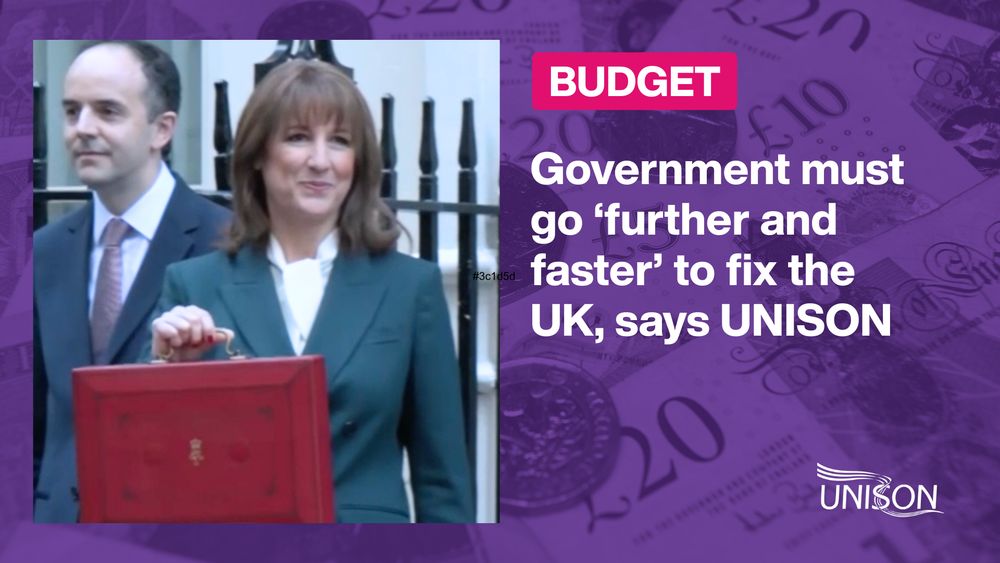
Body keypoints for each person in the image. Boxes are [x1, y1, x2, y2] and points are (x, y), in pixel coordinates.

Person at [148, 60, 474, 523]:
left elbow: (443, 479)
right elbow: (155, 460)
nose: (320, 161)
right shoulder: (194, 283)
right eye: (298, 137)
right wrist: (163, 369)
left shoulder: (410, 287)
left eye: (339, 141)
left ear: (357, 163)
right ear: (259, 153)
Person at [33, 41, 231, 523]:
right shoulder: (43, 251)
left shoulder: (227, 242)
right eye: (71, 110)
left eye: (107, 111)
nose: (82, 129)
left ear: (161, 129)